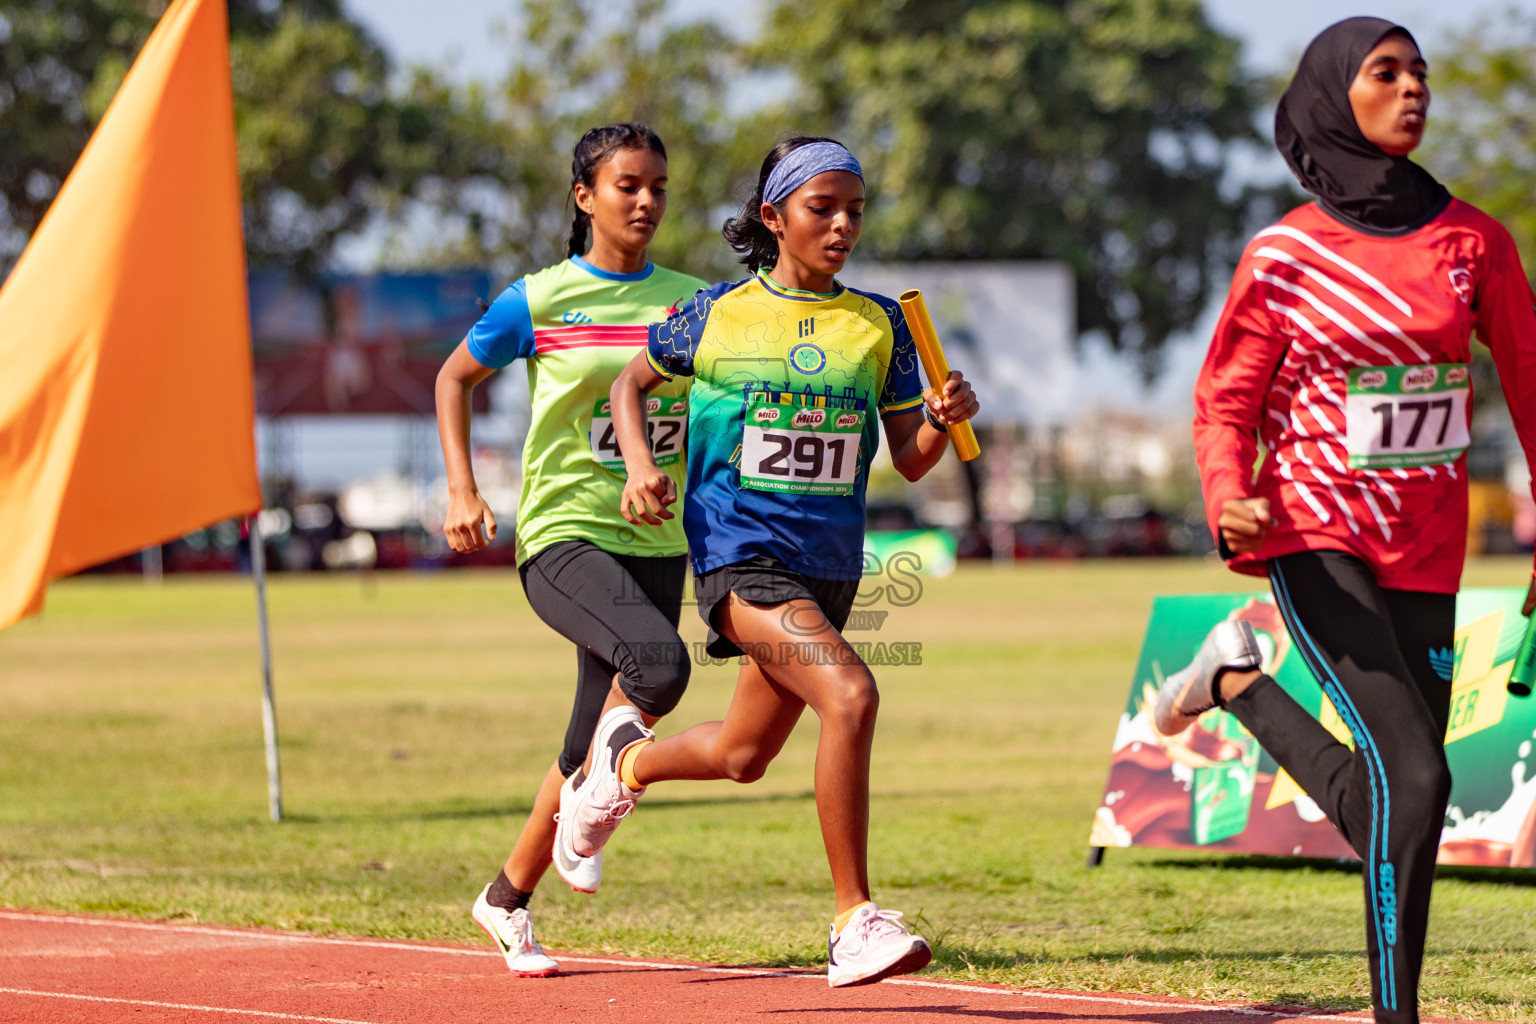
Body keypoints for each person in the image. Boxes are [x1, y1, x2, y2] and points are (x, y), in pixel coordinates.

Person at [1153, 19, 1536, 1024]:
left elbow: (1534, 388)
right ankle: (1394, 1015)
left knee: (1399, 794)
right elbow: (1226, 397)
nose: (1412, 88)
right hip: (1311, 534)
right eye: (1386, 72)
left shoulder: (1475, 242)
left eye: (1420, 73)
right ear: (1336, 94)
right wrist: (1227, 492)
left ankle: (1236, 683)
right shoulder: (1284, 253)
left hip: (1429, 547)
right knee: (1420, 771)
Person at [553, 135, 979, 988]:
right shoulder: (714, 314)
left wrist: (942, 412)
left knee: (743, 756)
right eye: (824, 208)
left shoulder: (880, 325)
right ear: (773, 216)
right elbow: (628, 387)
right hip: (739, 557)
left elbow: (917, 456)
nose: (844, 225)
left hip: (829, 568)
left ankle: (618, 766)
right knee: (852, 693)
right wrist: (641, 468)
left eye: (855, 209)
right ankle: (854, 919)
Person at [434, 122, 707, 977]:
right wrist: (462, 489)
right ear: (585, 197)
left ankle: (505, 900)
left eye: (658, 186)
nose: (647, 202)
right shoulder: (538, 299)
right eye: (628, 186)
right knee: (659, 666)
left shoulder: (696, 302)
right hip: (563, 534)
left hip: (659, 540)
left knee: (592, 731)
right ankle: (599, 805)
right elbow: (452, 379)